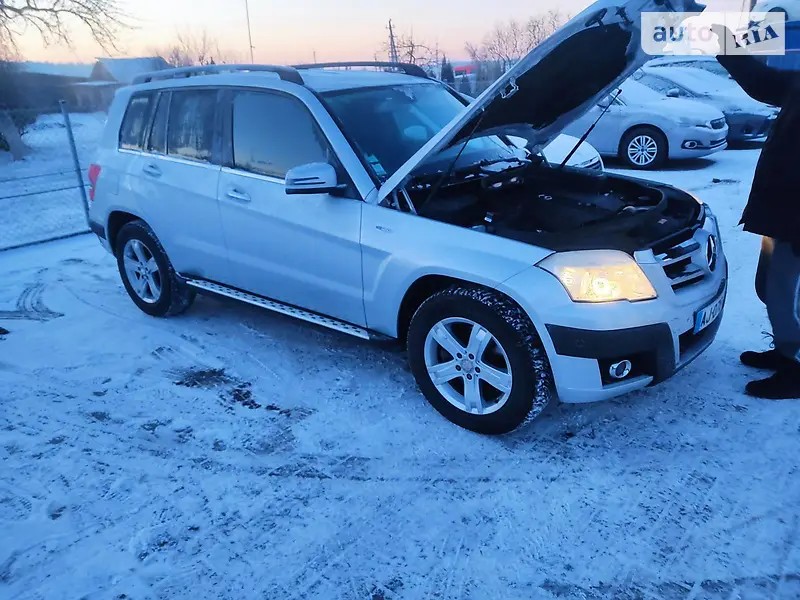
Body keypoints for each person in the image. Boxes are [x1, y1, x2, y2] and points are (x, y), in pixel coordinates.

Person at [713, 25, 800, 399]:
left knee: (784, 293)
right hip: (780, 214)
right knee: (769, 287)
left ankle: (795, 369)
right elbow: (763, 81)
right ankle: (786, 351)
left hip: (795, 220)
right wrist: (727, 46)